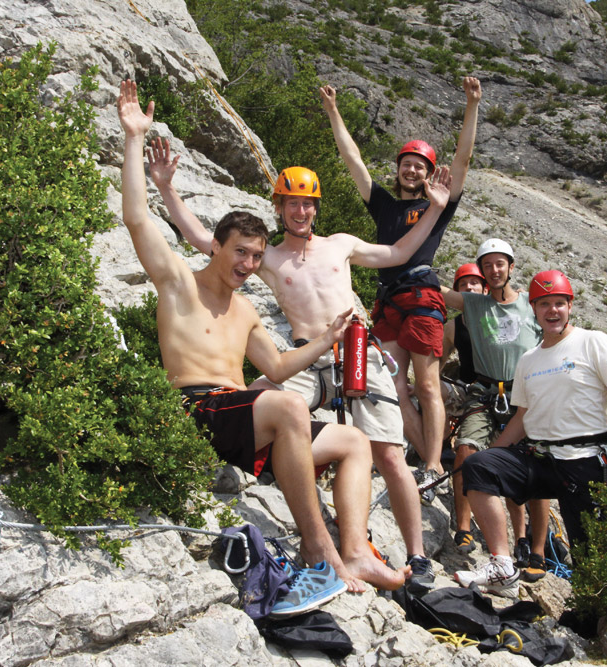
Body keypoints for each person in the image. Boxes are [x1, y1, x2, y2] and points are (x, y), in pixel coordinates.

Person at [117, 79, 405, 596]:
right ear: (215, 248)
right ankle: (320, 551)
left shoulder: (246, 308)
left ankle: (358, 552)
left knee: (355, 441)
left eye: (256, 256)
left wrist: (329, 340)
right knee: (289, 408)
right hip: (198, 406)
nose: (249, 265)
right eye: (240, 253)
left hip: (244, 421)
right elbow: (137, 219)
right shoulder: (178, 284)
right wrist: (134, 138)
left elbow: (275, 368)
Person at [146, 143, 453, 591]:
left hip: (357, 353)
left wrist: (435, 211)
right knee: (257, 393)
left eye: (309, 202)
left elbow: (401, 253)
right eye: (293, 202)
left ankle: (417, 556)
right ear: (279, 206)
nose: (302, 211)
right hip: (309, 356)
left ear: (317, 207)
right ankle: (269, 463)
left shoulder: (341, 246)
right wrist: (167, 189)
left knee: (387, 452)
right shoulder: (266, 257)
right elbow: (200, 238)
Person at [454, 270, 607, 598]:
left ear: (570, 307)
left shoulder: (593, 342)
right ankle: (502, 566)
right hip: (541, 458)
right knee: (478, 467)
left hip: (585, 461)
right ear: (534, 310)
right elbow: (523, 417)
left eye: (559, 304)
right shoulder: (528, 360)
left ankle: (593, 611)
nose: (552, 311)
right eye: (544, 305)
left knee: (588, 550)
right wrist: (492, 454)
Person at [321, 77, 482, 495]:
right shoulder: (385, 205)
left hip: (422, 297)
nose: (412, 170)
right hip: (388, 302)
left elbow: (462, 161)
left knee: (427, 384)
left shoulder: (437, 206)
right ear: (398, 169)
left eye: (421, 166)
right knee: (392, 384)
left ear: (430, 174)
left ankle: (431, 463)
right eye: (406, 163)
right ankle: (423, 455)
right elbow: (353, 159)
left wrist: (471, 106)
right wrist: (334, 112)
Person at [441, 242, 543, 566]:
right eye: (488, 266)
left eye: (500, 264)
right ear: (482, 272)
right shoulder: (473, 305)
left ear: (511, 267)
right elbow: (440, 292)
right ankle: (463, 526)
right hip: (486, 392)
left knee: (536, 466)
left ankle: (534, 549)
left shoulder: (531, 305)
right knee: (466, 450)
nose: (494, 271)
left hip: (526, 395)